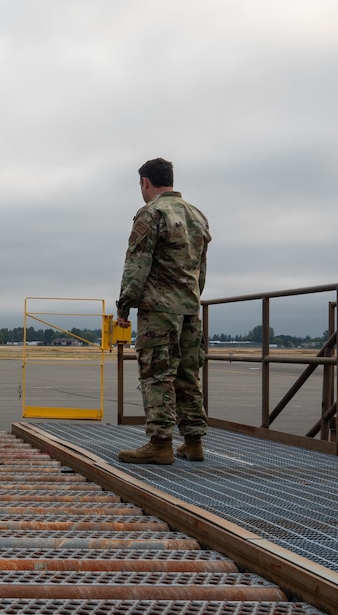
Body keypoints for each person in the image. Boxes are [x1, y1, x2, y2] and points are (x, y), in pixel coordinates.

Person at [115, 157, 211, 465]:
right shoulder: (197, 216)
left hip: (159, 310)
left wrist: (124, 307)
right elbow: (202, 271)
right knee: (187, 375)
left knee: (157, 374)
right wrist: (191, 299)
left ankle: (160, 443)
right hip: (190, 309)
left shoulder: (151, 213)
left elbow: (137, 264)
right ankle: (194, 442)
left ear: (145, 182)